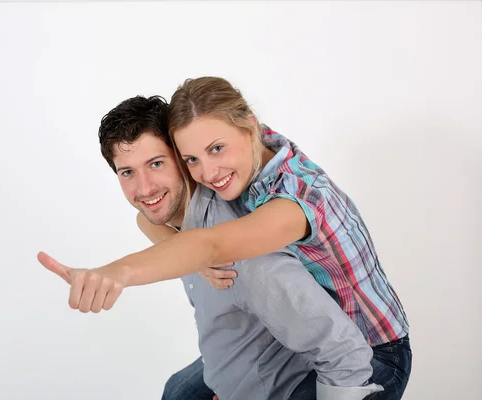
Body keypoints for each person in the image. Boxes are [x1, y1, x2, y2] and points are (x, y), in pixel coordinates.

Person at [39, 95, 383, 399]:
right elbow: (152, 225)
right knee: (178, 390)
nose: (144, 187)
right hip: (245, 354)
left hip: (348, 357)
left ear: (180, 158)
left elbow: (344, 353)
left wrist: (117, 272)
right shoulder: (170, 221)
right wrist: (189, 257)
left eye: (156, 164)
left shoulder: (242, 252)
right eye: (127, 172)